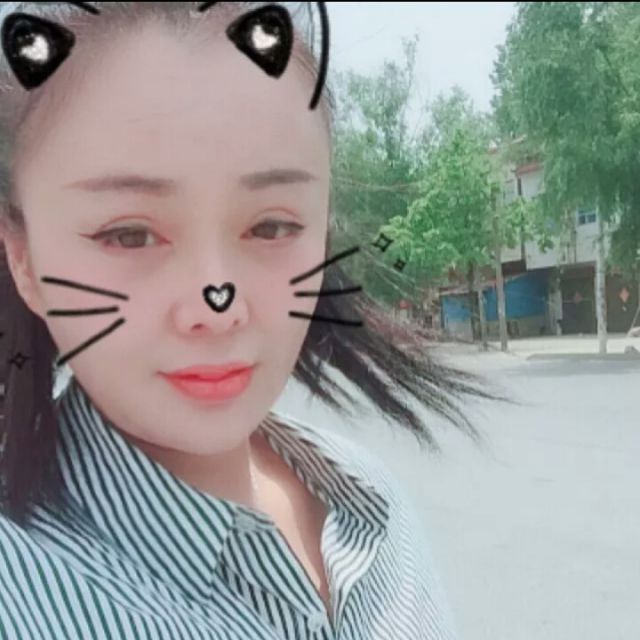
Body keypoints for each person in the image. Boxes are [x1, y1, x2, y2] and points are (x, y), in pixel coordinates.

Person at [0, 2, 505, 638]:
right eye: (129, 235)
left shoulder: (367, 501)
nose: (217, 308)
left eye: (271, 226)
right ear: (23, 256)